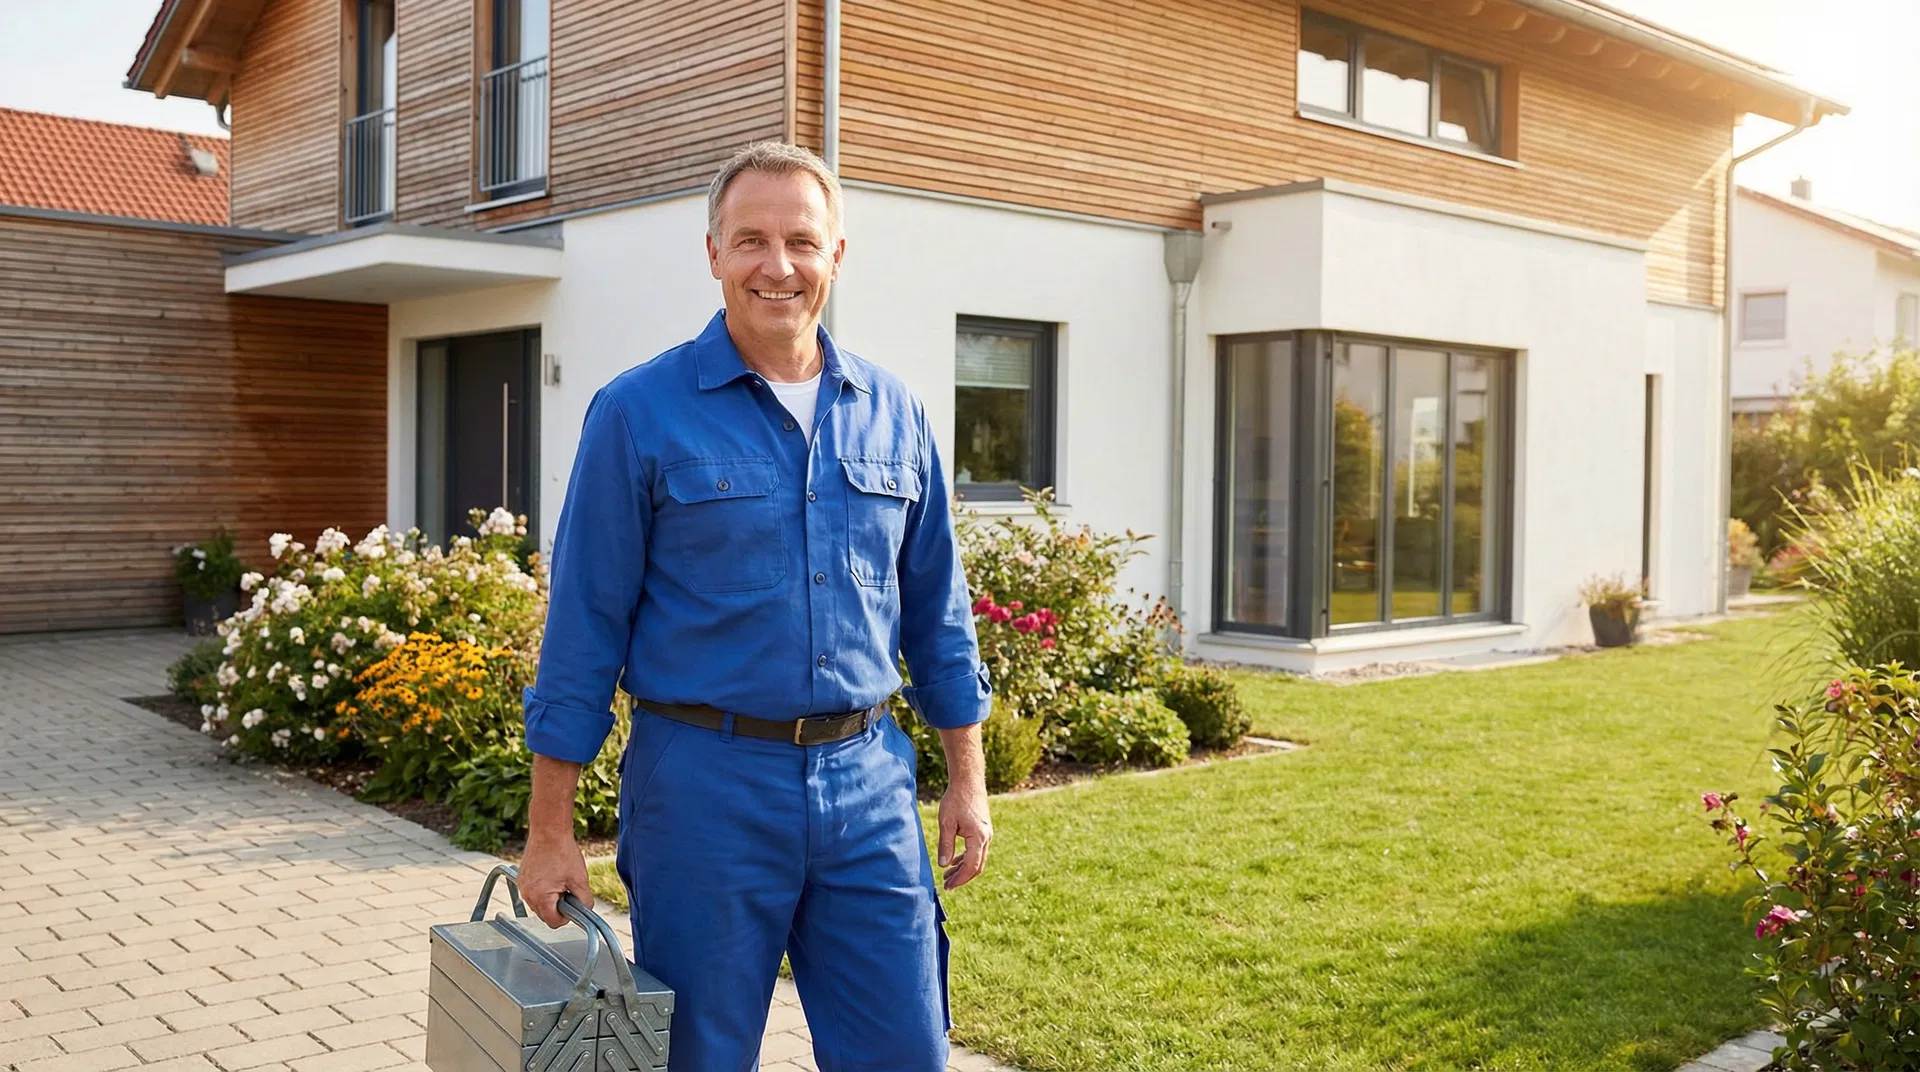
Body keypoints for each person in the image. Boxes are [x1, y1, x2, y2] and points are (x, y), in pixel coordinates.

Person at [516, 140, 994, 1072]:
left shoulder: (895, 412)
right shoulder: (637, 413)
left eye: (802, 242)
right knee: (700, 1056)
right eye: (751, 241)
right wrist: (549, 833)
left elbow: (939, 611)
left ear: (837, 255)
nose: (779, 266)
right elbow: (582, 634)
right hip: (702, 788)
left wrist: (965, 778)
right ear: (713, 255)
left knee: (907, 1053)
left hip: (869, 788)